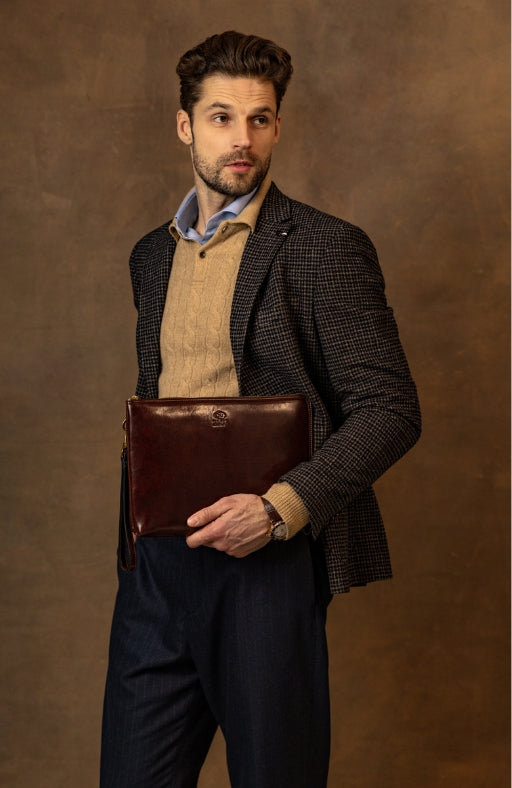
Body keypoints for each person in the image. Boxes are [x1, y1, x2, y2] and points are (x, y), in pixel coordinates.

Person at [101, 30, 421, 788]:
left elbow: (389, 409)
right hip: (157, 569)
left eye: (260, 118)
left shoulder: (324, 247)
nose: (241, 139)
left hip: (268, 566)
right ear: (186, 126)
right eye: (221, 117)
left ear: (277, 126)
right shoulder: (152, 255)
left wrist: (279, 509)